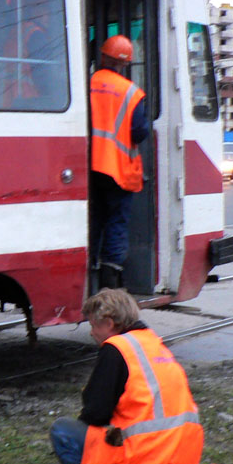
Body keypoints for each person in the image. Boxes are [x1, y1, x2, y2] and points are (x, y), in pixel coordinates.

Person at [49, 289, 204, 464]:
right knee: (153, 438)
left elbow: (95, 414)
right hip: (182, 453)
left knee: (65, 432)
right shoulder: (154, 343)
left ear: (109, 323)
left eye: (93, 325)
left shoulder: (116, 348)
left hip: (147, 452)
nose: (91, 332)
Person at [89, 34, 149, 290]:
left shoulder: (87, 84)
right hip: (118, 171)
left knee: (94, 219)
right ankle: (110, 282)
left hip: (89, 167)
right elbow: (139, 132)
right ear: (125, 64)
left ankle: (88, 269)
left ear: (103, 57)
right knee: (116, 222)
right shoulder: (132, 93)